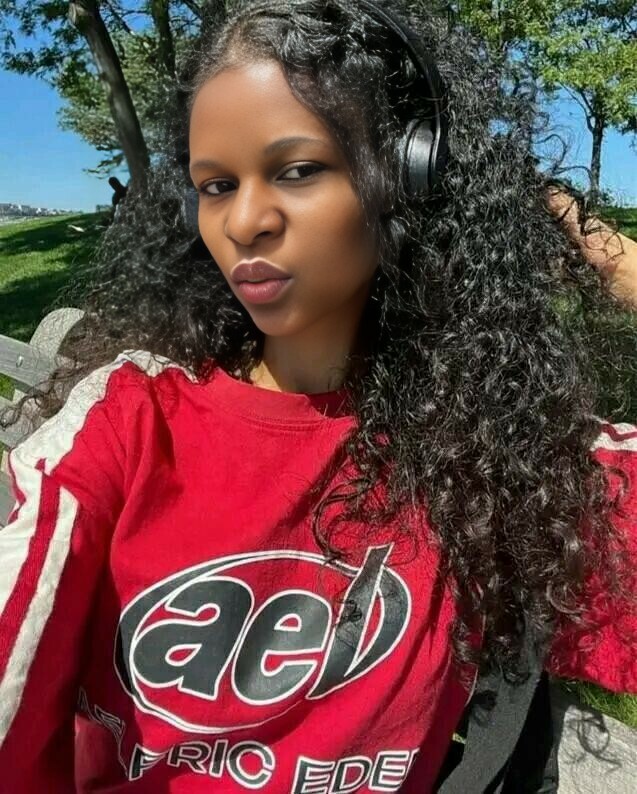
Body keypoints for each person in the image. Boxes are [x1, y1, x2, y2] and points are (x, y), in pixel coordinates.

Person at [0, 1, 635, 791]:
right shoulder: (127, 419)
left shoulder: (494, 449)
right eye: (215, 185)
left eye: (296, 170)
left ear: (406, 175)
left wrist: (576, 237)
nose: (244, 222)